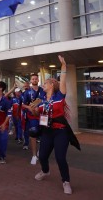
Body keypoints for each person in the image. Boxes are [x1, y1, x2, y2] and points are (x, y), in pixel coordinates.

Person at [34, 55, 73, 194]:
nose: (43, 85)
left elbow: (62, 80)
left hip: (60, 131)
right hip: (47, 132)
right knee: (42, 156)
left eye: (45, 83)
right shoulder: (42, 100)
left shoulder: (59, 96)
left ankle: (66, 181)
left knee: (60, 158)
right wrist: (32, 110)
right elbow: (37, 114)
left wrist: (63, 66)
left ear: (52, 85)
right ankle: (45, 171)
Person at [22, 74, 43, 165]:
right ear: (31, 81)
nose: (34, 80)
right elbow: (22, 104)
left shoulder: (43, 90)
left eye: (36, 79)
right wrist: (29, 108)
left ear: (38, 80)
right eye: (32, 79)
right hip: (32, 116)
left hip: (43, 116)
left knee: (44, 134)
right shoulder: (27, 92)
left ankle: (41, 150)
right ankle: (34, 155)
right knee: (33, 135)